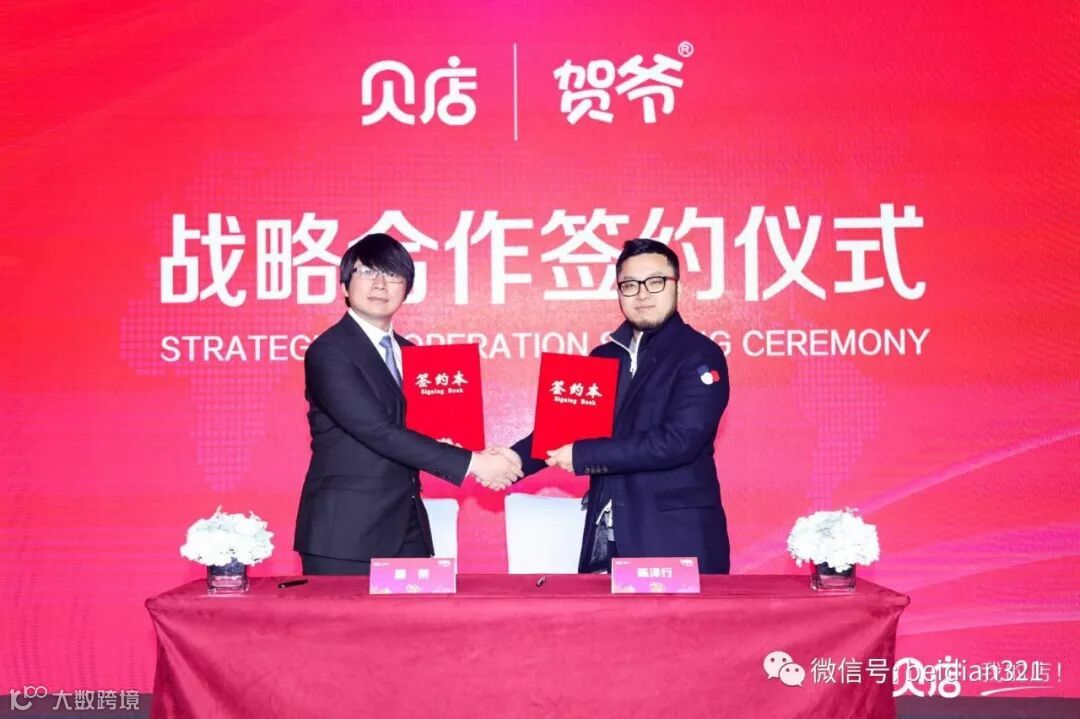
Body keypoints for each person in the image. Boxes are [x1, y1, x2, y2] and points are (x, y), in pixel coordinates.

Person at [294, 233, 521, 575]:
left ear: (406, 289)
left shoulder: (413, 355)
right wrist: (474, 463)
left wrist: (455, 446)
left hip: (408, 526)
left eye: (392, 274)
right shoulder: (329, 352)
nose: (380, 284)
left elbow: (422, 429)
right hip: (343, 535)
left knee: (416, 612)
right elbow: (377, 431)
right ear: (345, 286)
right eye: (367, 272)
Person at [503, 238, 731, 573]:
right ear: (619, 292)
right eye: (630, 285)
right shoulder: (603, 357)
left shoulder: (699, 354)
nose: (642, 294)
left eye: (655, 282)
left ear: (678, 287)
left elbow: (677, 441)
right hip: (608, 537)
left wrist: (582, 455)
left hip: (675, 537)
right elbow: (566, 428)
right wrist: (513, 460)